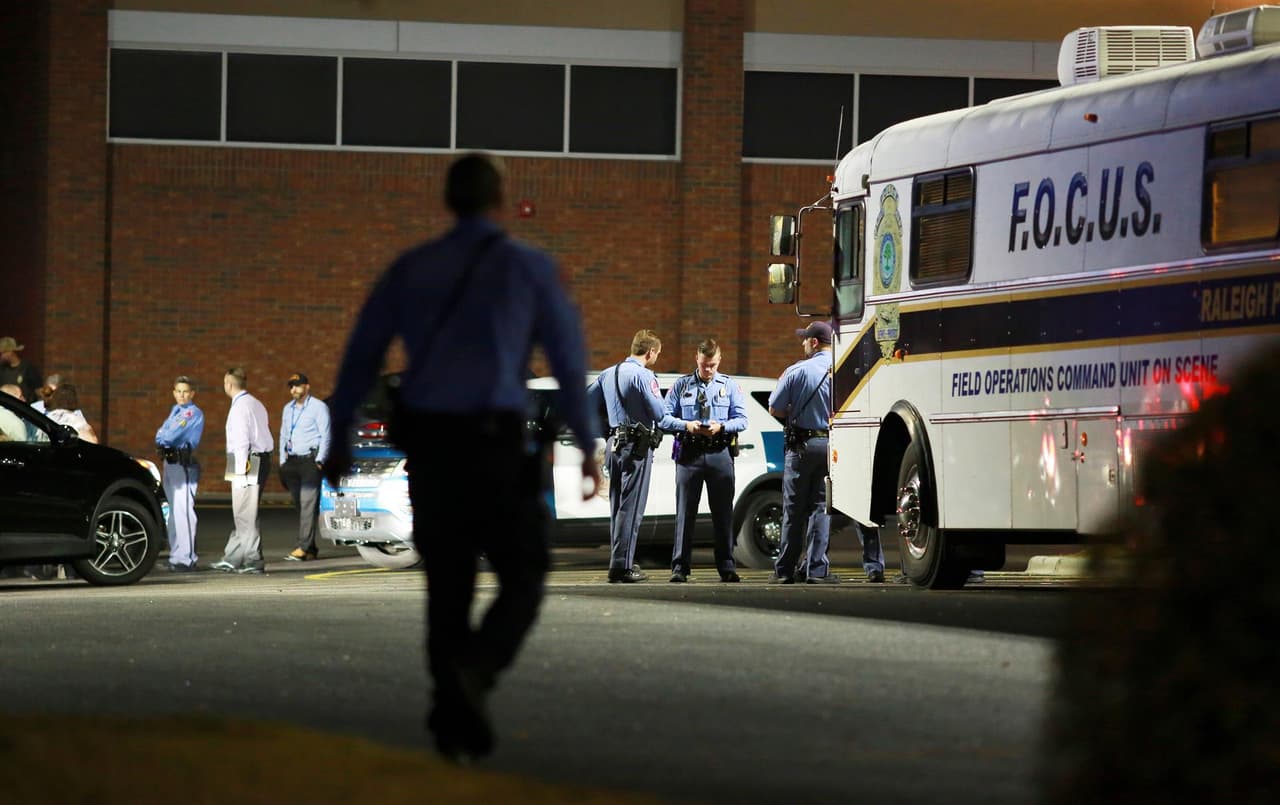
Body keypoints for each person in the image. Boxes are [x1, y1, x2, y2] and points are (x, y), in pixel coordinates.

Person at [324, 152, 600, 763]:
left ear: (447, 201)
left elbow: (361, 354)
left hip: (430, 444)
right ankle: (473, 675)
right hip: (495, 442)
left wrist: (338, 437)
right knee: (524, 573)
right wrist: (585, 444)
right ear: (500, 199)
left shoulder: (411, 268)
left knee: (447, 583)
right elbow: (568, 359)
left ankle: (454, 708)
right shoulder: (530, 268)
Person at [659, 337, 747, 583]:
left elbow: (742, 419)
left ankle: (727, 566)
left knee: (723, 514)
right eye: (705, 365)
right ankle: (680, 567)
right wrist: (686, 425)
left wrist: (722, 427)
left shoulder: (729, 386)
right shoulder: (681, 386)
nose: (708, 370)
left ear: (719, 361)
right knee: (685, 512)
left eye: (713, 365)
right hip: (689, 454)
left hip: (720, 454)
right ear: (697, 359)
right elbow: (664, 419)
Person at [587, 329, 665, 584]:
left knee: (617, 506)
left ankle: (620, 559)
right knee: (632, 508)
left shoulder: (608, 373)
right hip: (636, 447)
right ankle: (622, 566)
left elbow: (587, 402)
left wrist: (607, 430)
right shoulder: (644, 375)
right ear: (651, 351)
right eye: (657, 354)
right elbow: (658, 412)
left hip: (613, 445)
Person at [767, 320, 837, 584]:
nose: (802, 343)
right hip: (830, 446)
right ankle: (816, 570)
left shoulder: (796, 371)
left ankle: (785, 570)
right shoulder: (842, 370)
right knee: (821, 507)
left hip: (801, 447)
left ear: (815, 342)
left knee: (793, 509)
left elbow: (775, 407)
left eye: (805, 339)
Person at [213, 367, 273, 575]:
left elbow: (241, 443)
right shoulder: (256, 403)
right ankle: (233, 557)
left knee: (244, 512)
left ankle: (253, 559)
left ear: (228, 384)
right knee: (245, 511)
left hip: (246, 461)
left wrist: (239, 474)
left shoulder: (239, 408)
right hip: (260, 459)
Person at [278, 372, 330, 561]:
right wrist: (282, 460)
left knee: (308, 505)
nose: (294, 389)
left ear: (307, 387)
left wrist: (320, 460)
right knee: (301, 507)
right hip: (291, 462)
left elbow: (326, 435)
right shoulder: (287, 409)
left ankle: (302, 547)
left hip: (310, 461)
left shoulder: (318, 407)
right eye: (291, 386)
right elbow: (283, 435)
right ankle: (311, 547)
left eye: (298, 385)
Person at [154, 375, 204, 572]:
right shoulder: (176, 411)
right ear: (174, 393)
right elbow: (160, 435)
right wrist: (164, 436)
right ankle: (177, 556)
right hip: (170, 463)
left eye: (186, 392)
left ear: (192, 394)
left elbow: (170, 435)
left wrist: (164, 436)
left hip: (183, 463)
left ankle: (187, 558)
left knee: (183, 511)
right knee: (174, 513)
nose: (182, 395)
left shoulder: (193, 413)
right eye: (178, 391)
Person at [0, 336, 41, 404]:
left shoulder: (27, 368)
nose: (1, 356)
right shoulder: (2, 369)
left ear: (10, 352)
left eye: (2, 353)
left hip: (25, 407)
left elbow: (37, 389)